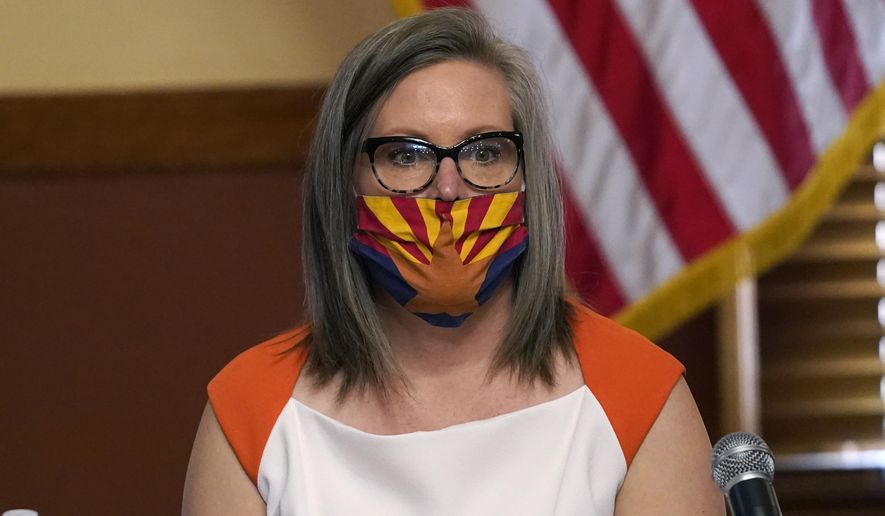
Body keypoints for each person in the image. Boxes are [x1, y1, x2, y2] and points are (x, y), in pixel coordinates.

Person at [182, 8, 724, 516]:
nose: (448, 188)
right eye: (406, 155)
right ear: (344, 182)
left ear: (527, 177)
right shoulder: (249, 409)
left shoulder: (641, 394)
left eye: (485, 152)